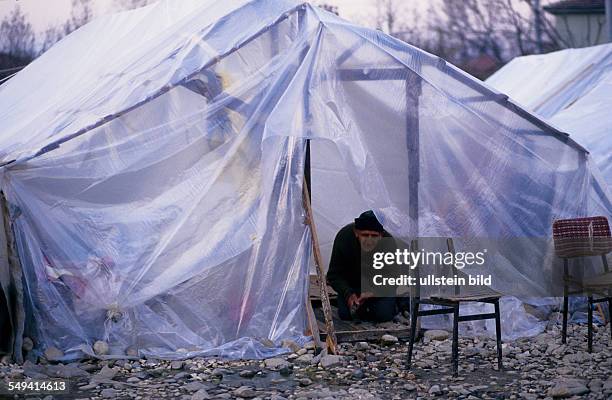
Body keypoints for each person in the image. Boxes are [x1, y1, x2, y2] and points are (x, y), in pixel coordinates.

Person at [326, 210, 399, 322]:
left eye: (374, 236)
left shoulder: (389, 242)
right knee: (346, 315)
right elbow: (334, 275)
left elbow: (394, 277)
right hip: (353, 287)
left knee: (384, 315)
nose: (369, 241)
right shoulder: (344, 237)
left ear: (381, 236)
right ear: (356, 232)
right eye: (365, 235)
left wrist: (373, 292)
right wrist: (348, 294)